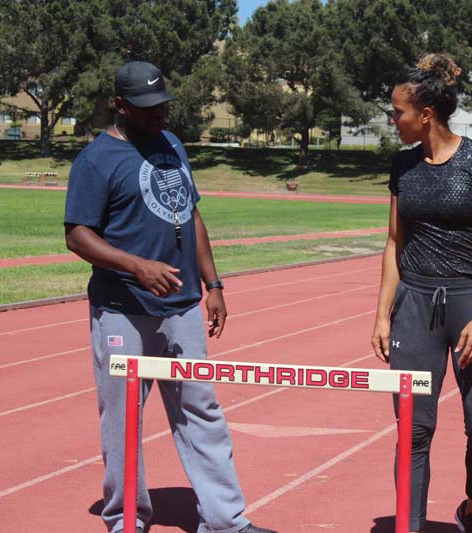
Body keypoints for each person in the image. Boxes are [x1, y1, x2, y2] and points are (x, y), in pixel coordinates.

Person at [64, 61, 277, 533]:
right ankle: (126, 519)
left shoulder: (171, 143)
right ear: (120, 106)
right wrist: (136, 266)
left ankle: (226, 521)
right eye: (147, 108)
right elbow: (77, 235)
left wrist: (213, 284)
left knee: (202, 410)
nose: (159, 114)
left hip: (180, 308)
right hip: (122, 311)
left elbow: (191, 214)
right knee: (122, 420)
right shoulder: (96, 160)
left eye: (163, 105)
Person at [371, 53, 472, 533]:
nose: (393, 120)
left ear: (425, 115)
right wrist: (382, 314)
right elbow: (394, 242)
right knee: (413, 430)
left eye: (398, 113)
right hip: (414, 304)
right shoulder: (402, 166)